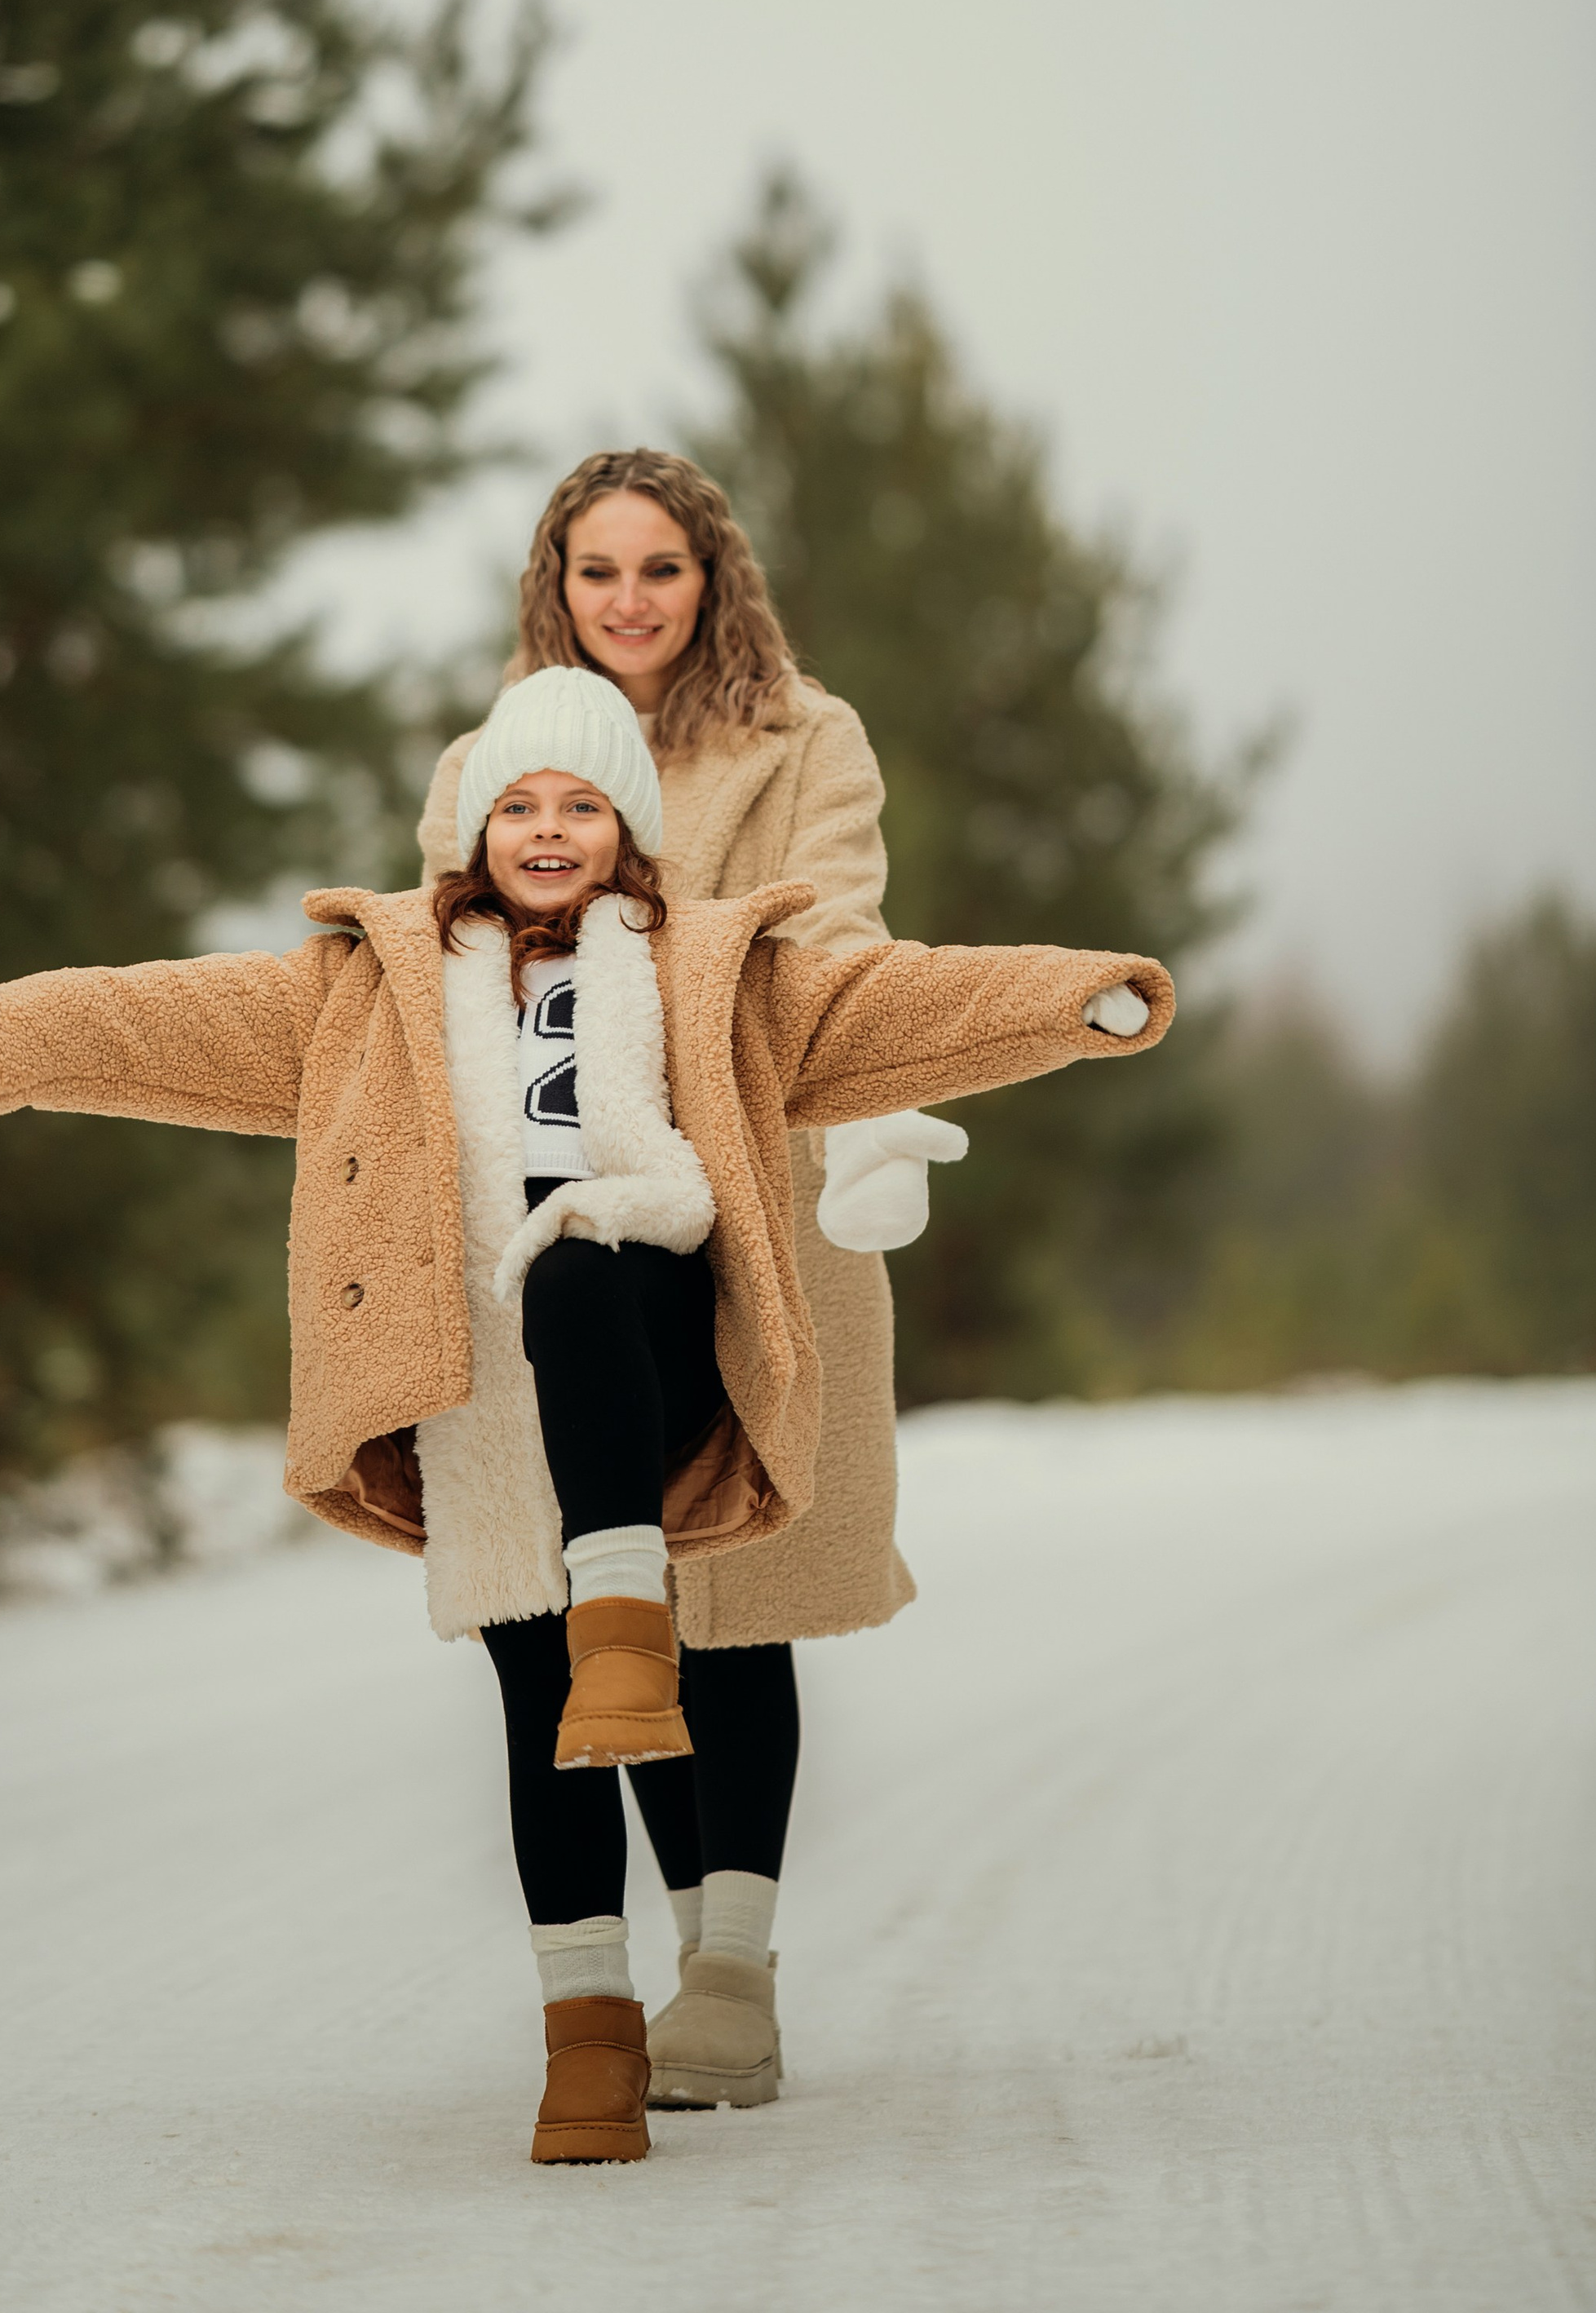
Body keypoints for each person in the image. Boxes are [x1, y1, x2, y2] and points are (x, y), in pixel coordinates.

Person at [0, 665, 1172, 2163]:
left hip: (652, 1328)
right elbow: (173, 1018)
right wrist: (8, 1044)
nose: (549, 826)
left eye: (582, 803)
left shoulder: (708, 966)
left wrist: (1077, 999)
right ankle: (589, 2042)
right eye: (520, 802)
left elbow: (885, 1003)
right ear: (473, 831)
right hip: (487, 1394)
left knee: (579, 1263)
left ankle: (631, 1622)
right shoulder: (373, 987)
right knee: (531, 1699)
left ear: (630, 835)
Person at [418, 449, 981, 2107]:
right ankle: (644, 1981)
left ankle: (727, 1978)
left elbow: (836, 942)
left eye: (658, 567)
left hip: (744, 1197)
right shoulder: (491, 760)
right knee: (611, 1594)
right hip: (544, 1224)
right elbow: (447, 967)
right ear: (554, 584)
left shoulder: (804, 738)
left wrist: (880, 1104)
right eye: (596, 571)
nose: (629, 601)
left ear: (710, 574)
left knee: (735, 1595)